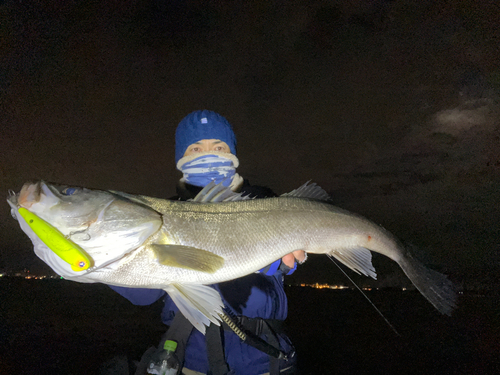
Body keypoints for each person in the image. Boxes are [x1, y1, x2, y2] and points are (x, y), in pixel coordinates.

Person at [110, 110, 304, 375]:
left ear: (232, 155)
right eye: (196, 148)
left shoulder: (267, 203)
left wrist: (283, 264)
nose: (207, 154)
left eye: (218, 146)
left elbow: (290, 260)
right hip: (191, 357)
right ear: (182, 158)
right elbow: (144, 294)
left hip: (262, 356)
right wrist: (104, 257)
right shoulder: (162, 214)